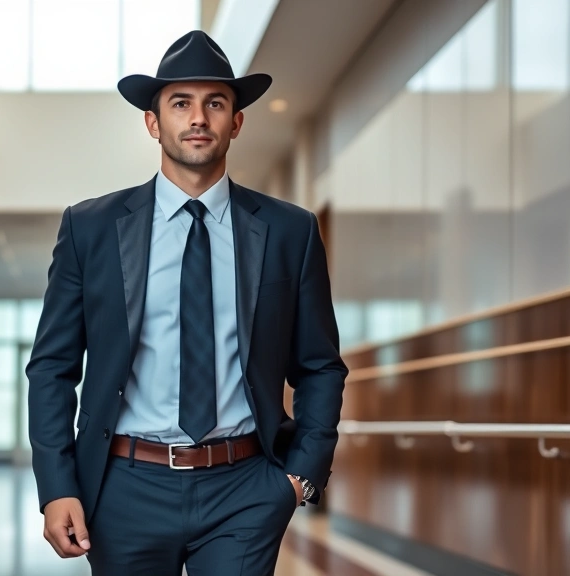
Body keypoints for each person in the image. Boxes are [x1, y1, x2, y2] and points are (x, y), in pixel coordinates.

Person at [25, 29, 347, 576]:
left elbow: (319, 365)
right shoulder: (91, 229)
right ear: (153, 122)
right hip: (124, 486)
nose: (198, 118)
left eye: (215, 103)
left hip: (245, 486)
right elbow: (52, 367)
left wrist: (299, 479)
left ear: (236, 121)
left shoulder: (290, 232)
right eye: (180, 103)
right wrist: (57, 486)